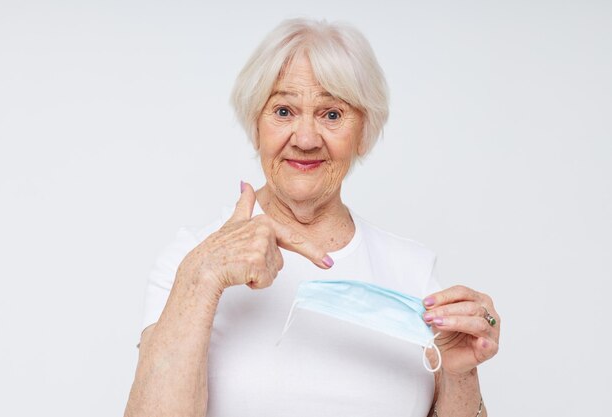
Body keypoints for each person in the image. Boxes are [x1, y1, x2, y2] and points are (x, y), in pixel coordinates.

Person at [124, 18, 500, 417]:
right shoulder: (190, 259)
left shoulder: (412, 271)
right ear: (256, 126)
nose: (305, 139)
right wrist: (203, 274)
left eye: (332, 115)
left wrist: (462, 373)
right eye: (283, 111)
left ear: (364, 132)